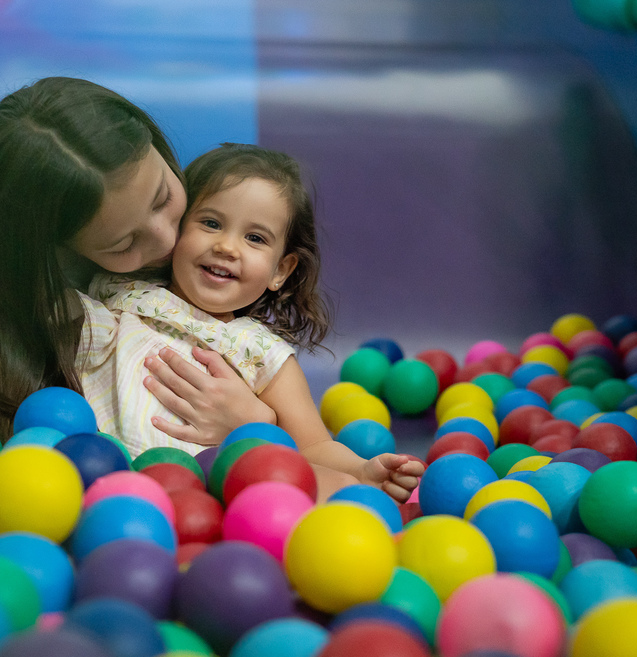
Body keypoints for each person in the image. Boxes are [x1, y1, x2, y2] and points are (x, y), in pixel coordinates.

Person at [0, 77, 276, 441]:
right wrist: (2, 368)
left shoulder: (208, 220)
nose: (166, 238)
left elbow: (258, 364)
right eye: (124, 245)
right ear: (54, 245)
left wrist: (255, 418)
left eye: (163, 198)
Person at [78, 144, 424, 501]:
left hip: (208, 490)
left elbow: (314, 444)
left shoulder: (259, 350)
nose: (227, 246)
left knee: (332, 485)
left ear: (280, 270)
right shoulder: (125, 287)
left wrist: (359, 469)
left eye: (255, 238)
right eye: (211, 223)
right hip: (100, 469)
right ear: (176, 230)